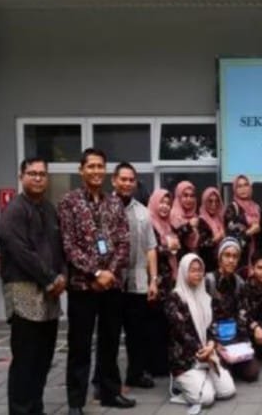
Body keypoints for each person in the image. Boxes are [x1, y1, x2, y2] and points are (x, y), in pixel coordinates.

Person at [57, 148, 133, 412]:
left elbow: (124, 241)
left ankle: (110, 392)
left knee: (110, 342)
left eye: (100, 166)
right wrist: (96, 273)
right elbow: (68, 245)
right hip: (83, 286)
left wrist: (109, 272)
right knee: (80, 345)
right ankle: (76, 402)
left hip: (112, 285)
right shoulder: (69, 202)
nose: (96, 171)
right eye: (91, 166)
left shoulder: (114, 203)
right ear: (81, 170)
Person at [0, 157, 66, 415]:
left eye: (42, 174)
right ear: (21, 176)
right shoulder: (14, 211)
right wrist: (50, 278)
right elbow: (21, 253)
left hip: (50, 293)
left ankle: (36, 408)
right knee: (25, 360)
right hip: (24, 290)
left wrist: (63, 276)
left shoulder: (48, 209)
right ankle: (20, 410)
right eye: (32, 173)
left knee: (43, 358)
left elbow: (60, 248)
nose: (38, 178)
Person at [110, 162, 159, 388]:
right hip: (111, 281)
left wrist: (153, 280)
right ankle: (104, 380)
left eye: (131, 180)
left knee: (136, 332)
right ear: (114, 181)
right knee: (109, 334)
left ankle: (136, 374)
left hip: (138, 281)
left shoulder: (143, 212)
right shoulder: (104, 207)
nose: (127, 183)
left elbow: (151, 247)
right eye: (123, 179)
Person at [165, 253, 236, 408]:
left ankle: (201, 382)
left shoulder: (205, 296)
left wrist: (211, 344)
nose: (197, 274)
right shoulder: (175, 298)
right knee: (206, 399)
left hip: (207, 354)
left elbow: (212, 325)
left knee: (228, 391)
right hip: (186, 359)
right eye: (192, 270)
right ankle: (180, 385)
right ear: (184, 272)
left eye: (200, 270)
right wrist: (204, 351)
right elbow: (182, 333)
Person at [206, 238, 260, 382]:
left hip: (234, 338)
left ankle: (233, 362)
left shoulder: (239, 283)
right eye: (227, 255)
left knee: (252, 373)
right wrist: (212, 342)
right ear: (220, 258)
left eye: (235, 257)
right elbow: (202, 317)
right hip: (214, 339)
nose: (231, 260)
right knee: (224, 377)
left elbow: (243, 313)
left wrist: (245, 342)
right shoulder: (209, 281)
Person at [146, 188, 180, 377]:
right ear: (154, 203)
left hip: (169, 281)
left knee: (165, 322)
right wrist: (168, 247)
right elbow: (148, 250)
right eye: (162, 202)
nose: (165, 206)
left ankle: (163, 363)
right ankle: (154, 366)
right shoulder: (149, 223)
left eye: (168, 203)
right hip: (154, 280)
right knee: (154, 324)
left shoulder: (168, 225)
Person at [225, 175, 261, 269]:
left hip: (256, 256)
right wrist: (250, 232)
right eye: (239, 186)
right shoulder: (232, 208)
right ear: (235, 190)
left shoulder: (256, 207)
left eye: (246, 185)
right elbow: (232, 238)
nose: (243, 189)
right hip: (240, 258)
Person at [170, 181, 201, 256]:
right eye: (185, 195)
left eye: (192, 196)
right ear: (179, 197)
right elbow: (175, 237)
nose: (189, 199)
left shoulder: (196, 217)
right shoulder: (173, 216)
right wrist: (189, 226)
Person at [198, 187, 225, 272]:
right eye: (210, 201)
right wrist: (217, 238)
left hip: (222, 265)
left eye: (217, 201)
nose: (214, 204)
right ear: (204, 202)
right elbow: (201, 245)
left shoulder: (221, 219)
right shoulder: (201, 221)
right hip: (207, 266)